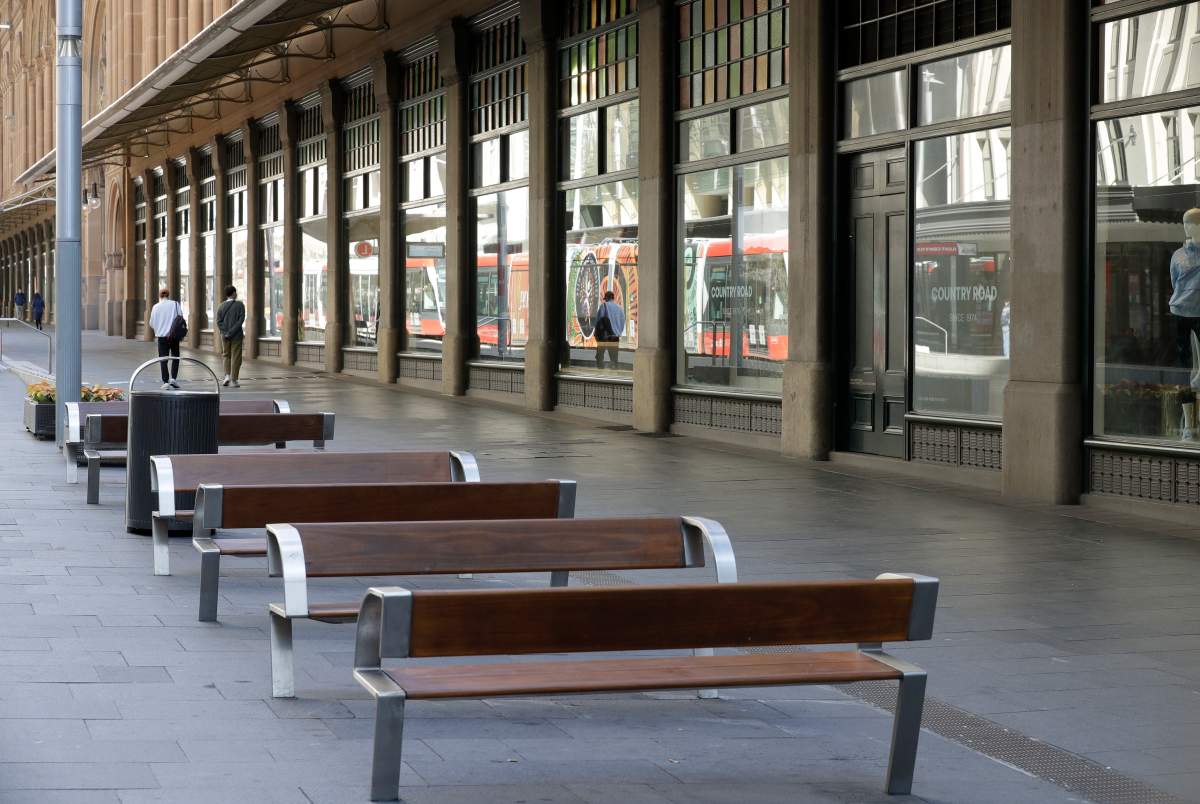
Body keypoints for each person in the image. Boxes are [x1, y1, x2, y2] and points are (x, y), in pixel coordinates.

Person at [148, 288, 184, 389]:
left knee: (163, 359)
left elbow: (151, 323)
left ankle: (165, 381)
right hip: (173, 336)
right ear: (168, 294)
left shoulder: (155, 307)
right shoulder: (175, 304)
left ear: (160, 296)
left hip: (162, 337)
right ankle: (173, 378)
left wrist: (159, 329)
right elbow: (180, 317)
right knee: (175, 357)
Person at [216, 285, 245, 388]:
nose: (236, 294)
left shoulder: (220, 306)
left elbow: (218, 322)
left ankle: (227, 376)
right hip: (236, 335)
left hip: (224, 336)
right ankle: (234, 379)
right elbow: (240, 321)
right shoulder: (240, 305)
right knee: (236, 356)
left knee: (226, 355)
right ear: (233, 293)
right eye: (235, 292)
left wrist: (226, 332)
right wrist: (232, 331)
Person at [592, 290, 625, 369]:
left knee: (600, 355)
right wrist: (618, 332)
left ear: (606, 298)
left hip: (605, 336)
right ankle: (614, 371)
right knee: (614, 357)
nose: (605, 300)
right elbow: (622, 322)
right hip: (615, 336)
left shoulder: (604, 306)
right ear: (613, 298)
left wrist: (596, 333)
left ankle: (600, 370)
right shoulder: (620, 309)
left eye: (605, 298)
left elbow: (599, 321)